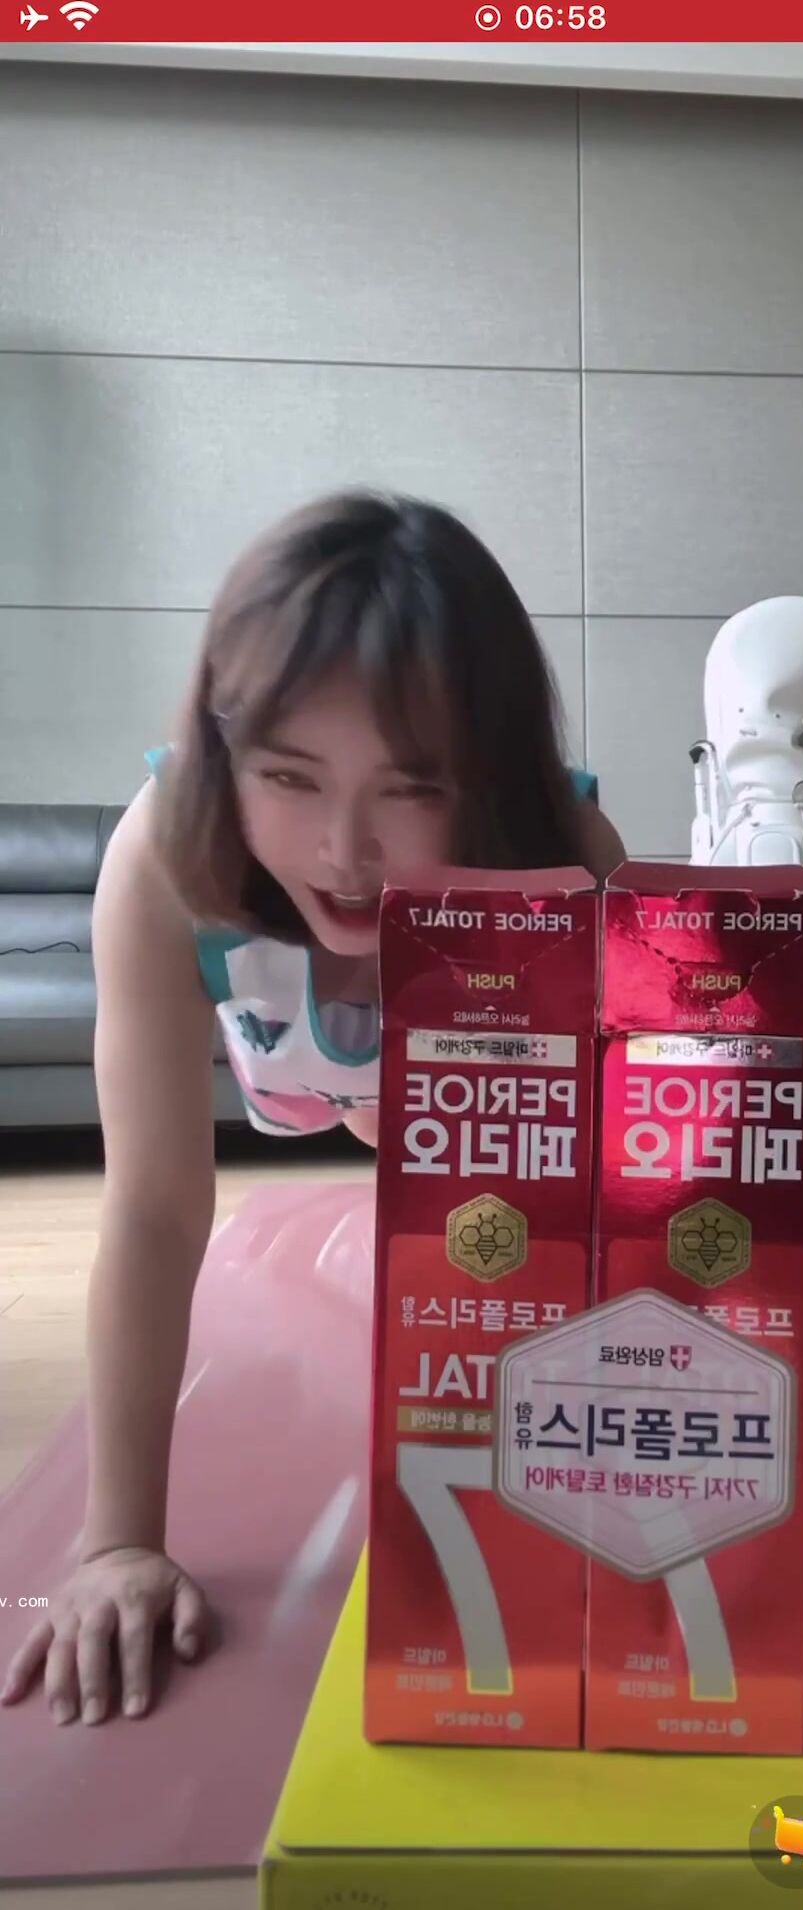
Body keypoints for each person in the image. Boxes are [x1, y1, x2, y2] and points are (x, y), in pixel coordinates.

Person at [1, 492, 625, 1728]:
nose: (345, 849)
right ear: (223, 754)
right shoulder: (163, 861)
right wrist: (116, 1539)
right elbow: (153, 1211)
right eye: (289, 776)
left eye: (412, 786)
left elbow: (601, 1199)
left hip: (464, 1107)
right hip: (296, 1073)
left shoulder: (566, 858)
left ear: (492, 778)